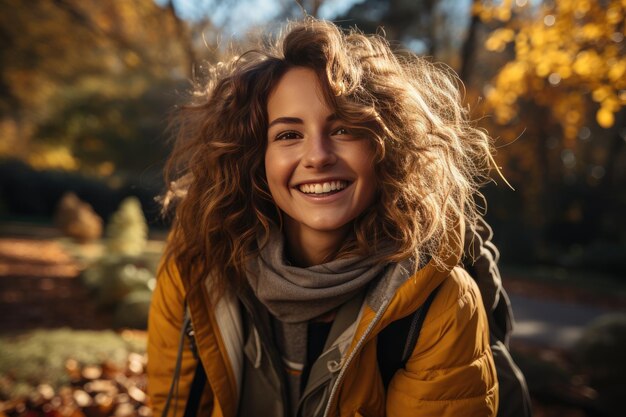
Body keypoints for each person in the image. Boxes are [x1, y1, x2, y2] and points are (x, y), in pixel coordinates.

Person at [147, 18, 501, 417]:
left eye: (344, 129)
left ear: (385, 147)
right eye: (288, 135)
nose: (317, 156)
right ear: (253, 158)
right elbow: (172, 407)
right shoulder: (194, 268)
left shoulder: (440, 300)